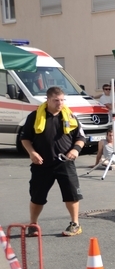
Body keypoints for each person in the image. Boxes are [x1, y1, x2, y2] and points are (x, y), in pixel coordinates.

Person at [20, 86, 86, 236]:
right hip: (42, 164)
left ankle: (75, 224)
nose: (60, 103)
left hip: (65, 163)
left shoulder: (70, 116)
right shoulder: (34, 116)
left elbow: (81, 137)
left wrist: (75, 150)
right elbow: (25, 138)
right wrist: (32, 153)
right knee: (37, 197)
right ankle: (33, 225)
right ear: (48, 99)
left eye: (62, 100)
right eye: (56, 100)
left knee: (72, 195)